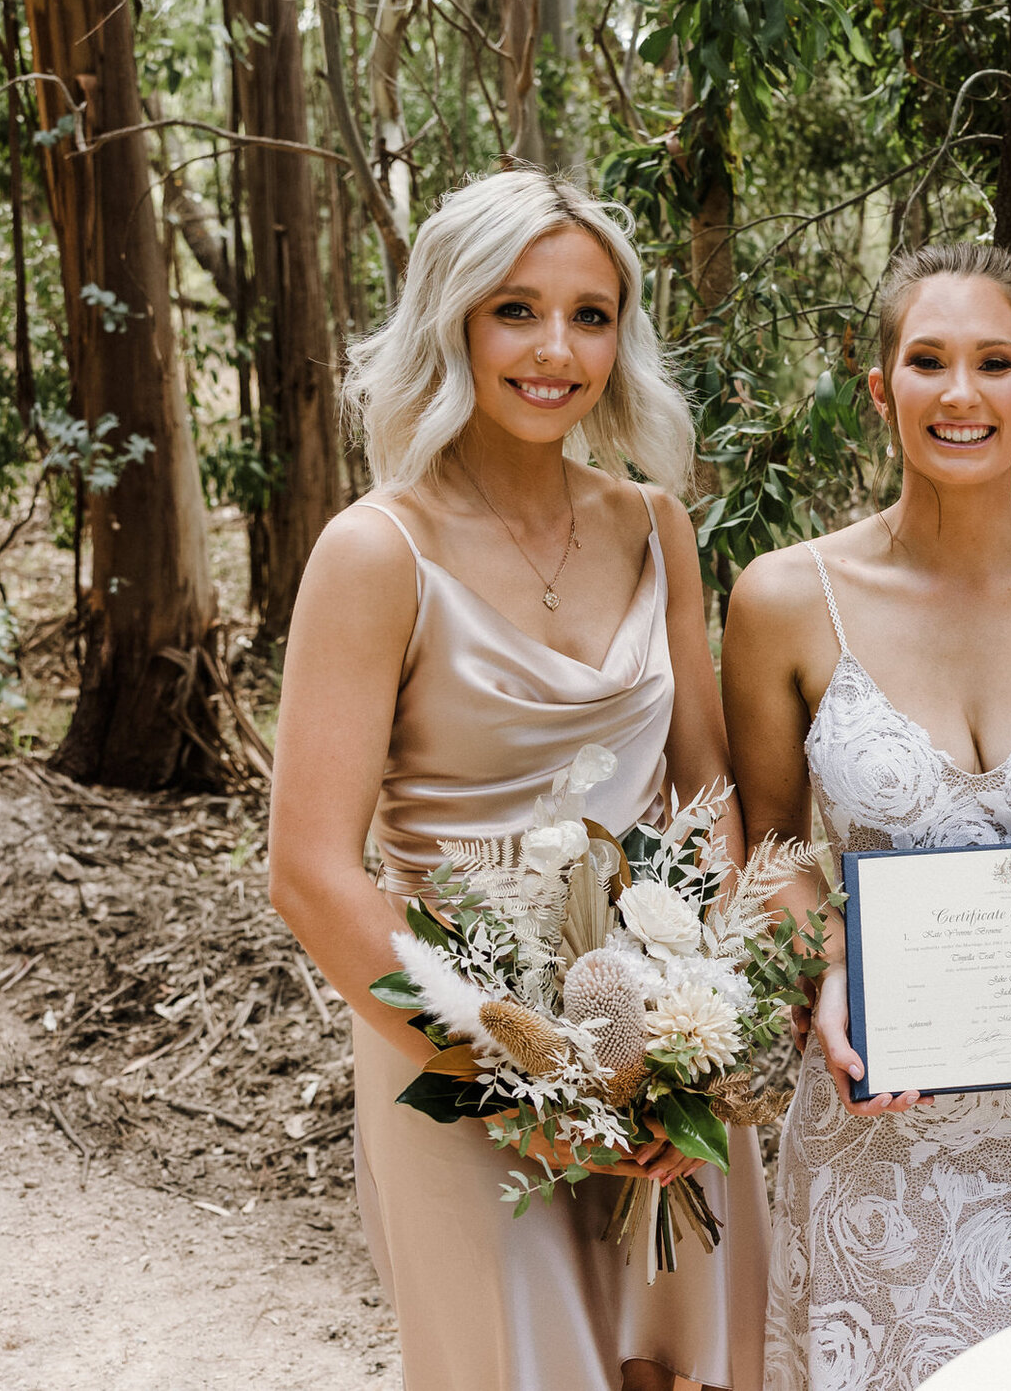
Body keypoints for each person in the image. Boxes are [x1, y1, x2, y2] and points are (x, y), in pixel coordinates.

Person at [269, 169, 765, 1390]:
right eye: (515, 309)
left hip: (661, 1044)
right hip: (455, 1051)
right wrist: (510, 1074)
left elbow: (706, 802)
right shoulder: (375, 550)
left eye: (590, 315)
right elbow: (310, 871)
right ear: (452, 319)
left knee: (690, 1364)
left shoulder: (658, 526)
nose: (557, 350)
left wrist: (699, 1036)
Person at [725, 244, 1011, 1391]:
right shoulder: (786, 598)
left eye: (994, 361)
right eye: (927, 361)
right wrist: (827, 962)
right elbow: (767, 841)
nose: (961, 393)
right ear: (881, 389)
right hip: (876, 1127)